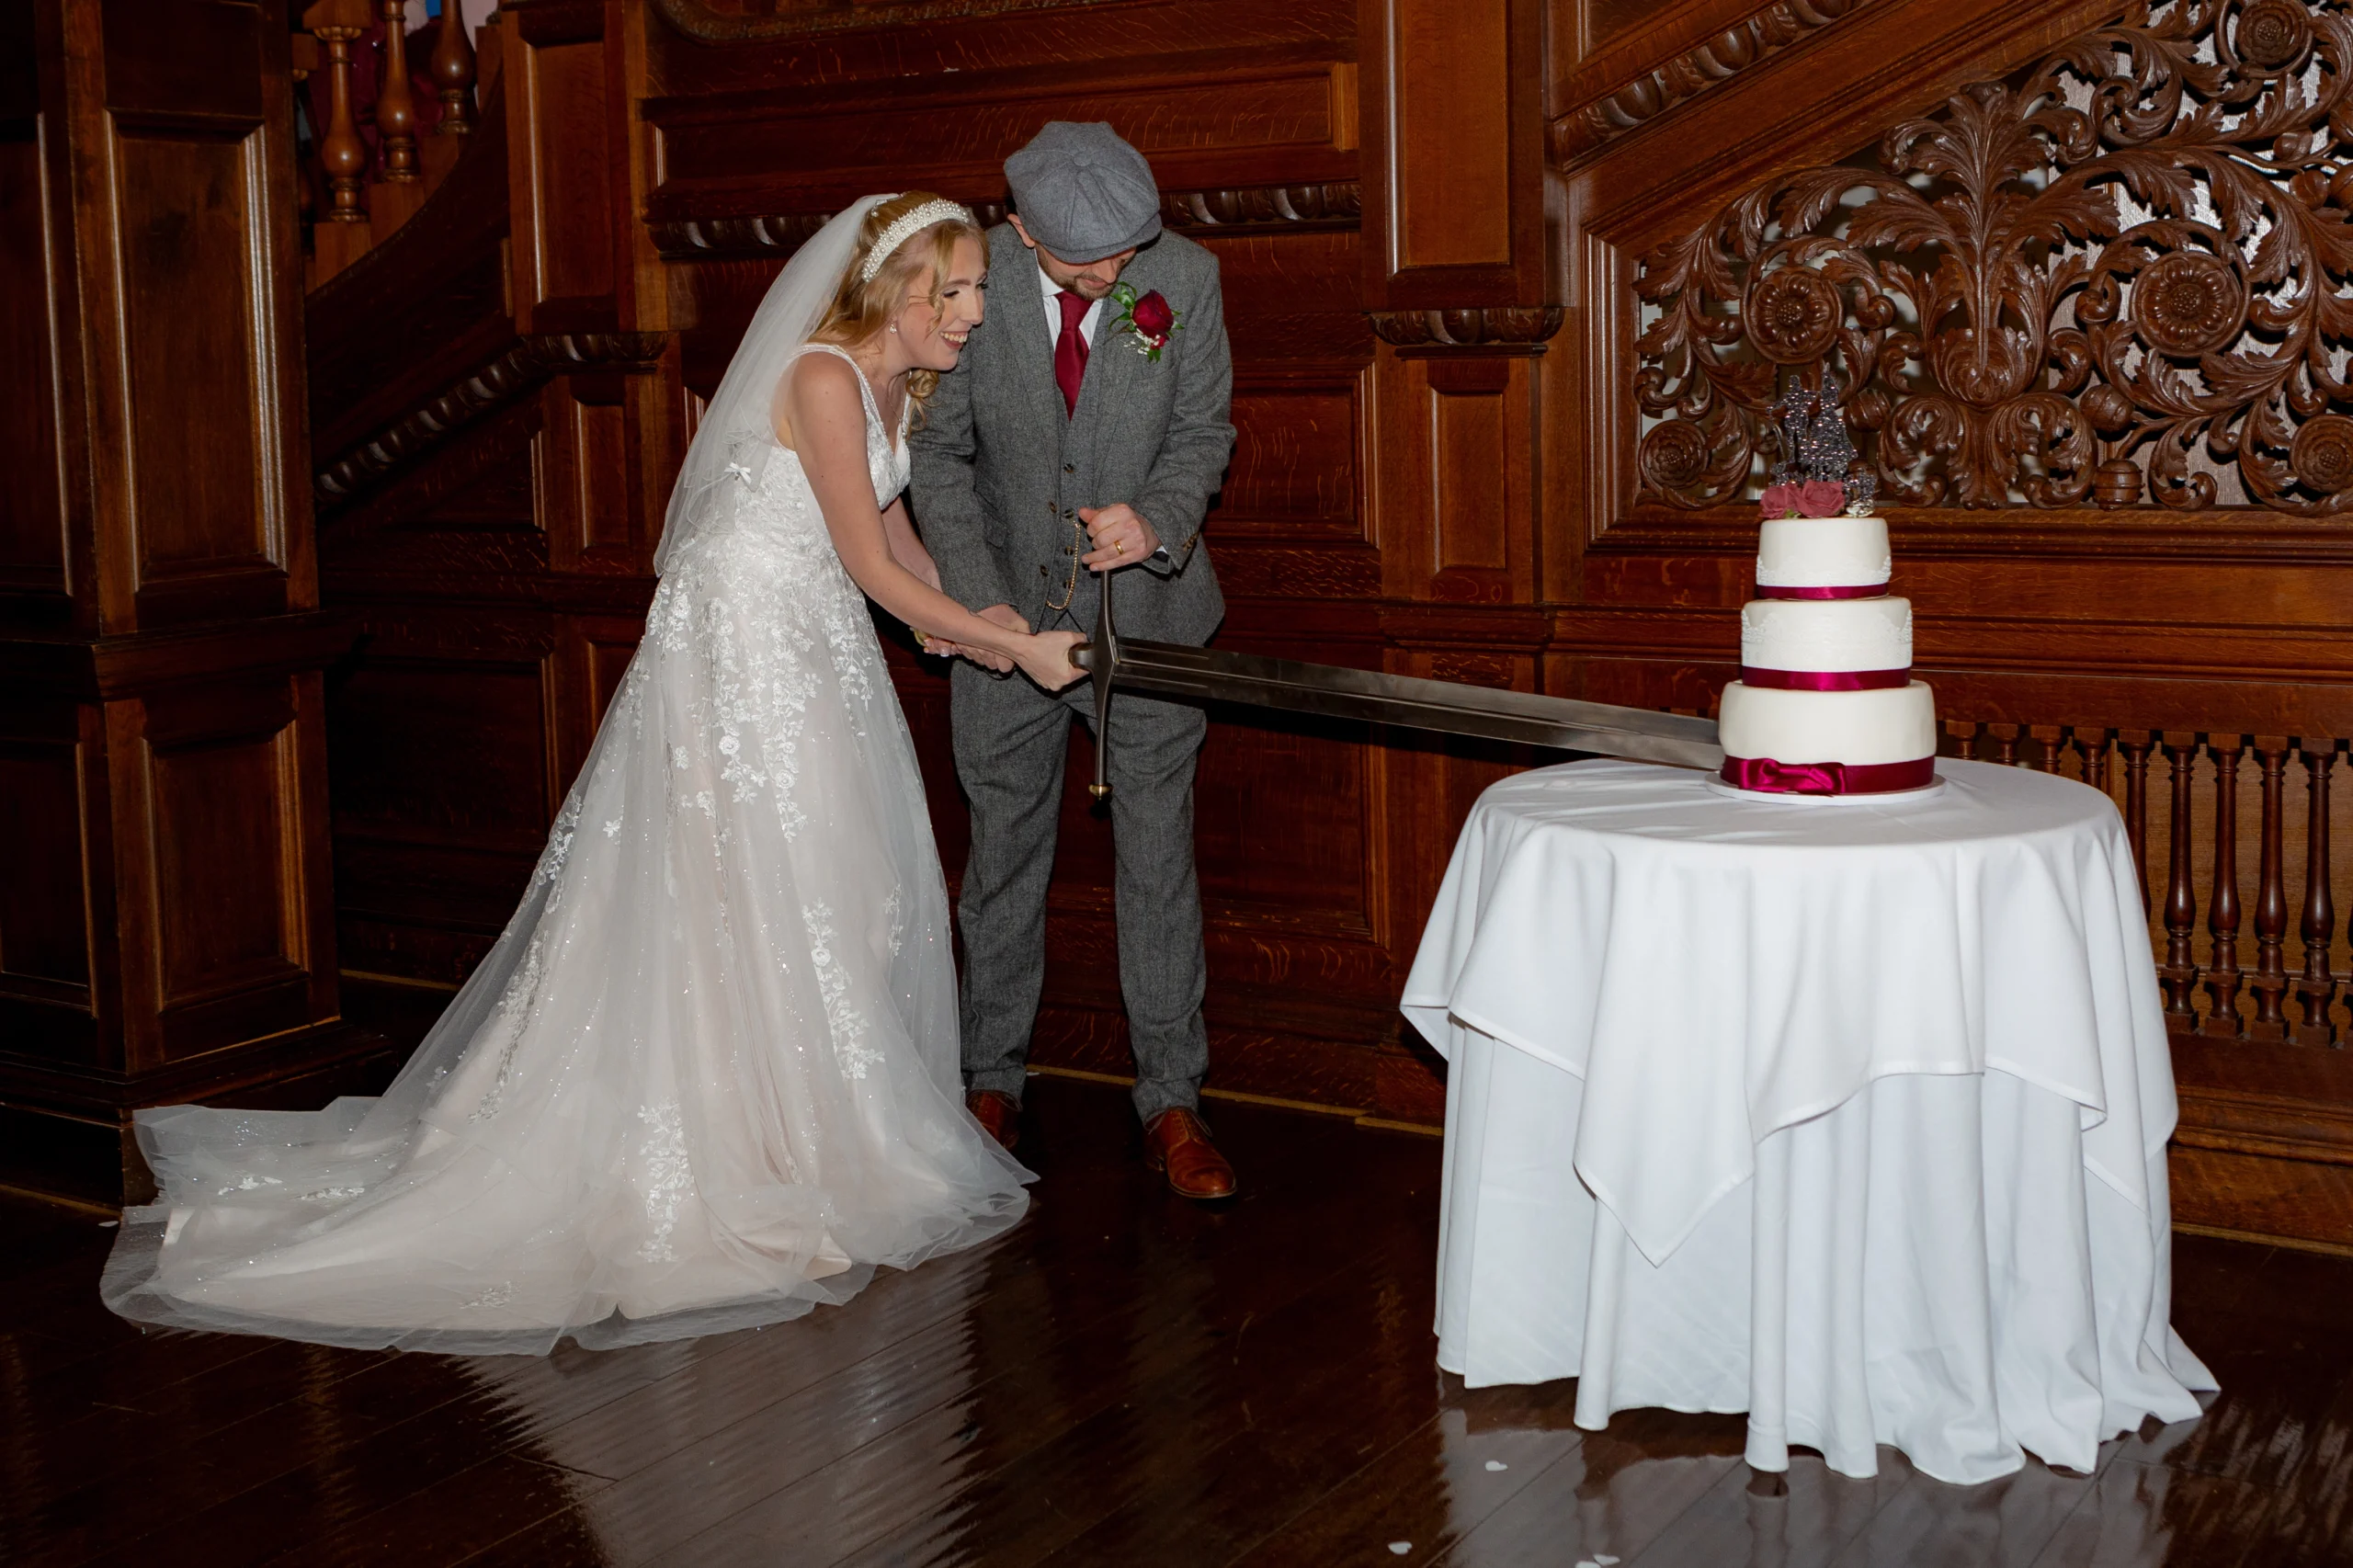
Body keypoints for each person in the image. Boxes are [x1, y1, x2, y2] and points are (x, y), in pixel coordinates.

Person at [99, 194, 1085, 1355]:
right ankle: (739, 1155)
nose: (972, 314)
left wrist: (972, 620)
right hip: (744, 642)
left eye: (974, 290)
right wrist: (1014, 647)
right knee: (756, 884)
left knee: (838, 884)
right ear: (892, 290)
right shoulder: (824, 376)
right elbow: (870, 561)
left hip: (812, 639)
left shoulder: (891, 382)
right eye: (955, 291)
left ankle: (808, 1135)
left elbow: (890, 528)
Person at [909, 122, 1240, 1200]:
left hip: (1151, 621)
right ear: (1017, 229)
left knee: (1157, 856)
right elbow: (938, 452)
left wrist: (1155, 518)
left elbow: (1203, 430)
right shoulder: (970, 281)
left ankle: (1172, 1098)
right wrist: (982, 603)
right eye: (1082, 263)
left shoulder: (1183, 277)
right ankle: (989, 1081)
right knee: (1001, 853)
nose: (1111, 277)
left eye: (1123, 256)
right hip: (1004, 630)